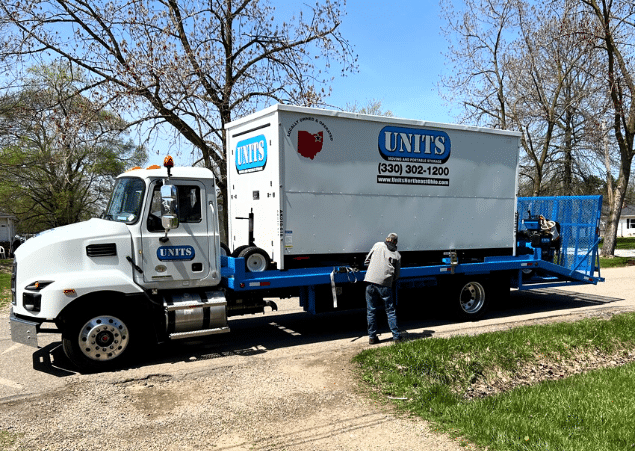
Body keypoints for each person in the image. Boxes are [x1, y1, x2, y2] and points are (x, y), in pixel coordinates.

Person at [364, 233, 402, 344]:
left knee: (371, 311)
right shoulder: (397, 255)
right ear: (395, 242)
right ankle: (396, 337)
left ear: (387, 240)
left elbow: (366, 261)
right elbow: (397, 275)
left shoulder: (377, 245)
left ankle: (372, 337)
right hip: (385, 284)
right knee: (390, 310)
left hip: (370, 281)